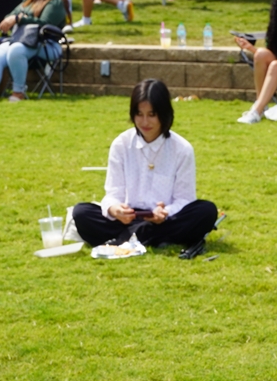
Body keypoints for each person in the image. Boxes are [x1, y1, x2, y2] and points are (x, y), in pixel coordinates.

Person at [72, 79, 218, 255]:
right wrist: (115, 209)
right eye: (139, 114)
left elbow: (185, 199)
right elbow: (113, 193)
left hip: (164, 219)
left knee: (206, 211)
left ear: (164, 114)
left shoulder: (182, 149)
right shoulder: (121, 144)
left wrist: (165, 212)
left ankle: (127, 238)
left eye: (151, 114)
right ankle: (151, 238)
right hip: (127, 218)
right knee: (81, 213)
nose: (145, 122)